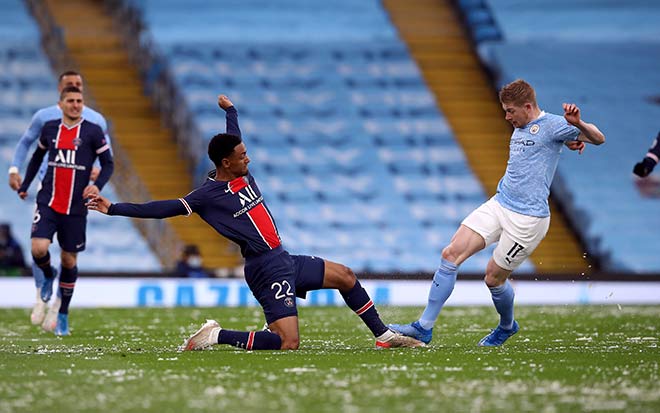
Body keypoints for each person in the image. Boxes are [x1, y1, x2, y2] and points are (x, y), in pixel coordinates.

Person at [87, 94, 424, 350]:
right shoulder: (207, 195)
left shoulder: (240, 171)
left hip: (282, 257)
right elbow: (162, 208)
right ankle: (215, 335)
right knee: (287, 342)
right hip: (264, 266)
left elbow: (233, 134)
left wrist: (230, 112)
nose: (248, 158)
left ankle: (383, 336)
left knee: (346, 276)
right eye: (242, 155)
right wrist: (113, 207)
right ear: (226, 162)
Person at [389, 79, 605, 346]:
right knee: (450, 254)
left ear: (527, 107)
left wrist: (578, 125)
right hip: (500, 204)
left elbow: (598, 138)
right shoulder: (523, 124)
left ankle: (506, 326)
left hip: (528, 219)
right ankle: (424, 327)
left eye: (510, 111)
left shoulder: (553, 125)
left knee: (493, 278)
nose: (506, 117)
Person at [8, 70, 113, 327]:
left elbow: (107, 158)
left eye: (79, 90)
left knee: (69, 258)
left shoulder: (95, 124)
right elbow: (28, 148)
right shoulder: (46, 120)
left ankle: (61, 310)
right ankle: (40, 290)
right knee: (39, 247)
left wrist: (97, 180)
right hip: (48, 192)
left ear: (83, 96)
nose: (76, 98)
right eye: (70, 89)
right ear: (61, 94)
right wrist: (17, 173)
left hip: (77, 200)